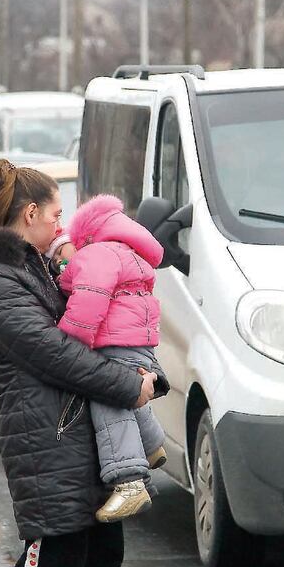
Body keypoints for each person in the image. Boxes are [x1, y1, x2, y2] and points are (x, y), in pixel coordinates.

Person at [0, 159, 158, 567]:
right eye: (56, 215)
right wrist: (126, 386)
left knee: (97, 563)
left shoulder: (33, 265)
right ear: (30, 213)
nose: (62, 225)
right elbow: (54, 352)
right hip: (47, 445)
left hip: (77, 437)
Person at [51, 194, 169, 522]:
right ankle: (151, 444)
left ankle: (129, 481)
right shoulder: (123, 250)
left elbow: (90, 300)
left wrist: (68, 341)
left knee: (108, 400)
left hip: (116, 340)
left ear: (82, 238)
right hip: (135, 341)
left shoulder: (96, 254)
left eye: (62, 252)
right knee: (129, 394)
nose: (62, 261)